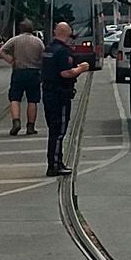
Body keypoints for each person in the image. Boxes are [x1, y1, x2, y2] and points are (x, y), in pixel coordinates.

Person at [42, 21, 91, 176]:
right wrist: (81, 68)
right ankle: (54, 165)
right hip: (60, 94)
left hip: (49, 93)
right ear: (68, 32)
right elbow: (66, 73)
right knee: (59, 131)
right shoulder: (63, 52)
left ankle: (56, 161)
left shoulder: (48, 49)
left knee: (53, 130)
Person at [0, 20, 45, 136]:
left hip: (18, 71)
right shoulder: (38, 41)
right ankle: (30, 126)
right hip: (34, 72)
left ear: (20, 29)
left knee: (15, 98)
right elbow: (43, 56)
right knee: (32, 100)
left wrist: (10, 59)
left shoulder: (15, 40)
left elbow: (2, 50)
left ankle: (16, 121)